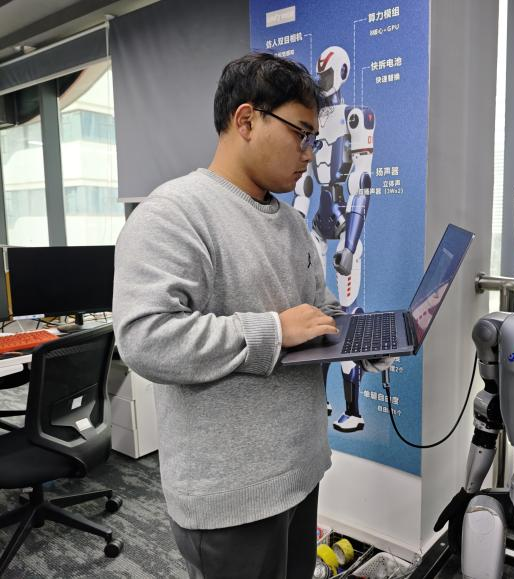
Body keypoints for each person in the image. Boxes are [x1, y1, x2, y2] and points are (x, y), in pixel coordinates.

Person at [113, 52, 378, 579]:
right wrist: (273, 331)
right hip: (230, 496)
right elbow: (145, 338)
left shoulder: (293, 224)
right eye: (300, 134)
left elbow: (317, 310)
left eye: (314, 139)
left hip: (299, 471)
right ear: (247, 120)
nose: (309, 154)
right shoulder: (174, 213)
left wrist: (359, 339)